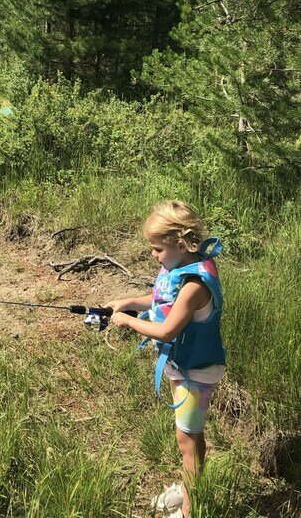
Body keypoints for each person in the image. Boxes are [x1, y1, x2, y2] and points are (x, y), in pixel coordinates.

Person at [106, 201, 225, 518]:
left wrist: (129, 321)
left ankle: (190, 511)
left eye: (158, 249)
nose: (155, 256)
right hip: (184, 367)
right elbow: (159, 298)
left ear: (181, 244)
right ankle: (189, 490)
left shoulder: (194, 286)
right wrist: (129, 301)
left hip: (196, 372)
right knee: (189, 437)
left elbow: (168, 331)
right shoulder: (180, 269)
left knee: (188, 441)